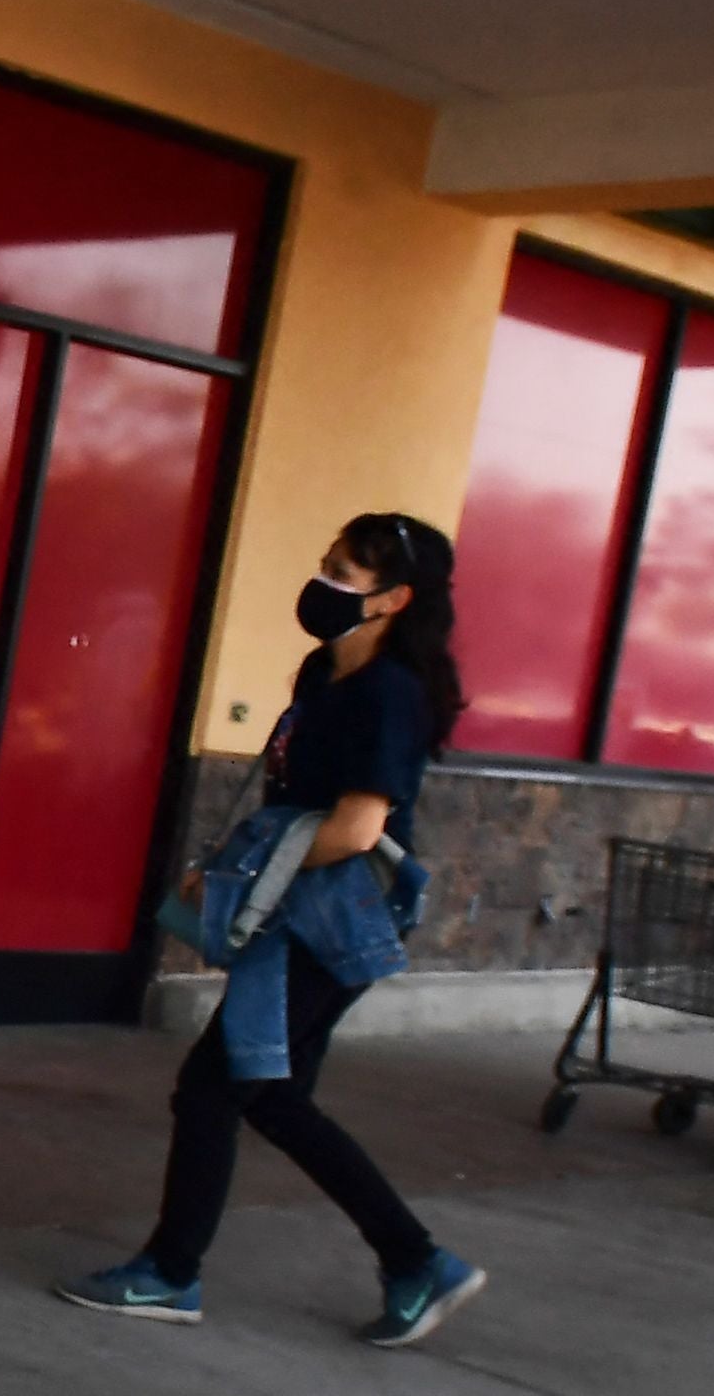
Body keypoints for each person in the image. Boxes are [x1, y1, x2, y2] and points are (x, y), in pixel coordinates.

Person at [61, 512, 488, 1347]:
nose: (323, 581)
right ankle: (415, 1261)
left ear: (395, 599)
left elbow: (360, 829)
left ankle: (171, 1273)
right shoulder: (321, 673)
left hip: (327, 925)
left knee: (215, 1089)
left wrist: (241, 880)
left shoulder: (389, 696)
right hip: (295, 912)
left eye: (345, 573)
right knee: (273, 1097)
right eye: (326, 562)